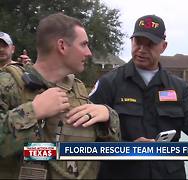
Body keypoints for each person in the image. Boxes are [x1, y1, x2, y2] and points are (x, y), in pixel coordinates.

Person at [89, 14, 188, 179]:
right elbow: (88, 137)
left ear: (163, 46)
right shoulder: (109, 83)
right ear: (131, 42)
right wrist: (128, 149)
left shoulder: (178, 87)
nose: (142, 49)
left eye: (150, 44)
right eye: (138, 42)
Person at [0, 13, 121, 179]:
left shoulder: (78, 89)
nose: (89, 53)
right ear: (62, 46)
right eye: (84, 44)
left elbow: (105, 149)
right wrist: (34, 111)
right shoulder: (8, 83)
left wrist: (109, 117)